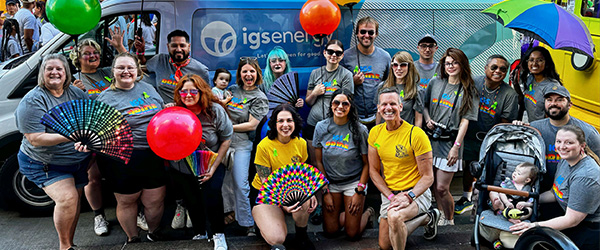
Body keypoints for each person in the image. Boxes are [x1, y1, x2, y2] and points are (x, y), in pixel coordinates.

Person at [15, 53, 90, 250]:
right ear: (42, 73)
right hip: (43, 161)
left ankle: (71, 243)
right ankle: (64, 247)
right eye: (50, 69)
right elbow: (35, 138)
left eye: (59, 69)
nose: (55, 72)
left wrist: (88, 141)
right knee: (68, 199)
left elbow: (89, 123)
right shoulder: (33, 100)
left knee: (75, 202)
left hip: (76, 160)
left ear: (66, 73)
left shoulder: (76, 94)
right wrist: (71, 136)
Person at [95, 53, 167, 243]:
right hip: (122, 158)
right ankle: (132, 237)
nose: (126, 71)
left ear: (137, 71)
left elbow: (161, 113)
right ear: (113, 72)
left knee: (155, 200)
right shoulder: (105, 98)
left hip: (153, 154)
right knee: (127, 201)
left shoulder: (148, 88)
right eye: (121, 68)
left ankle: (153, 233)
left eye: (130, 68)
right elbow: (97, 132)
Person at [514, 85, 600, 220]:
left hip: (574, 197)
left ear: (570, 104)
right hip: (547, 192)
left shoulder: (588, 132)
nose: (553, 103)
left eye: (559, 99)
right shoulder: (535, 128)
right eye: (549, 99)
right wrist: (517, 128)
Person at [368, 88, 439, 250]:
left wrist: (409, 196)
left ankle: (416, 215)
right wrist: (391, 196)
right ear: (378, 108)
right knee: (385, 245)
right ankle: (427, 218)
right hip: (390, 193)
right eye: (384, 104)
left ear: (401, 106)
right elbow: (373, 171)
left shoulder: (416, 134)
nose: (388, 108)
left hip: (415, 192)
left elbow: (428, 177)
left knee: (395, 217)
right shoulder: (375, 133)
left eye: (393, 103)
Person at [510, 125, 600, 250]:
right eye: (559, 141)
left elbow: (571, 220)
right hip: (572, 222)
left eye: (569, 142)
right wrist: (531, 202)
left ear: (582, 146)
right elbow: (555, 192)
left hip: (589, 230)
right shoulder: (566, 160)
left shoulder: (585, 176)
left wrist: (533, 226)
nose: (562, 147)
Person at [169, 74, 232, 248]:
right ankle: (200, 232)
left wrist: (213, 168)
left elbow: (226, 139)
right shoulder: (175, 112)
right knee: (191, 199)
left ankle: (218, 234)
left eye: (192, 91)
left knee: (212, 196)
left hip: (210, 163)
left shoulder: (214, 111)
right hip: (181, 166)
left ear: (201, 91)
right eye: (183, 92)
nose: (188, 95)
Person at [455, 55, 519, 215]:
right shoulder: (474, 83)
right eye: (494, 67)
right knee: (469, 167)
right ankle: (466, 198)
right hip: (470, 134)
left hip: (491, 139)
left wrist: (491, 139)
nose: (498, 71)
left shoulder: (509, 94)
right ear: (485, 68)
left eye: (503, 69)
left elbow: (505, 123)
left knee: (488, 170)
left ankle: (484, 200)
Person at [422, 48, 478, 226]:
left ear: (462, 64)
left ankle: (450, 218)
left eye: (455, 62)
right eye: (448, 63)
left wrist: (456, 146)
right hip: (431, 140)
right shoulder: (435, 82)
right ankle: (440, 217)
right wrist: (428, 119)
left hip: (450, 142)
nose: (451, 66)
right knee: (433, 186)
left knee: (442, 187)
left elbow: (465, 121)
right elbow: (423, 105)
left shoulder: (469, 89)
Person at [251, 103, 317, 250]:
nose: (285, 125)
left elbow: (304, 171)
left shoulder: (300, 143)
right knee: (278, 238)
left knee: (305, 197)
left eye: (289, 120)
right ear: (274, 124)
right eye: (280, 121)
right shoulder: (264, 146)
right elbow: (266, 183)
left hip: (290, 189)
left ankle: (301, 235)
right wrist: (283, 205)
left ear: (295, 123)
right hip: (266, 194)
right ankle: (264, 220)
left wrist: (310, 192)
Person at [312, 89, 372, 239]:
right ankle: (349, 214)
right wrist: (324, 191)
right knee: (331, 232)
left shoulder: (360, 129)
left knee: (352, 233)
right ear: (331, 105)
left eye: (345, 103)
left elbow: (367, 164)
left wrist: (359, 191)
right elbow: (318, 161)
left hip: (353, 182)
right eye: (336, 102)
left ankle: (368, 212)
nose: (340, 106)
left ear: (351, 107)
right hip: (331, 183)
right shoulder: (321, 127)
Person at [226, 56, 269, 235]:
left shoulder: (260, 97)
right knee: (224, 183)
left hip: (243, 143)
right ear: (240, 74)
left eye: (252, 71)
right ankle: (229, 215)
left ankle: (247, 222)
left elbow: (252, 125)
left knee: (241, 183)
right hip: (224, 142)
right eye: (245, 71)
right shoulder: (232, 90)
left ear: (257, 74)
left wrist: (227, 127)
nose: (248, 74)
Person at [305, 39, 353, 160]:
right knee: (315, 161)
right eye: (330, 52)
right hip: (313, 123)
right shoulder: (315, 73)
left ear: (342, 56)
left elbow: (348, 102)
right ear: (325, 53)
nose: (333, 55)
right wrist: (315, 93)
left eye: (338, 53)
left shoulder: (346, 75)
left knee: (331, 159)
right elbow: (308, 102)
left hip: (334, 125)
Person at [340, 16, 391, 129]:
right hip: (352, 116)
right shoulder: (346, 57)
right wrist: (352, 82)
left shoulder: (385, 57)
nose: (366, 35)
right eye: (362, 32)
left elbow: (388, 85)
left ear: (376, 34)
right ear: (357, 34)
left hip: (378, 116)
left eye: (370, 32)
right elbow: (338, 87)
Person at [135, 29, 209, 104]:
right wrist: (140, 51)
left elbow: (206, 98)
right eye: (174, 46)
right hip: (164, 111)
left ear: (189, 47)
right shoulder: (160, 60)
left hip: (188, 111)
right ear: (168, 47)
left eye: (182, 45)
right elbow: (144, 66)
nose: (179, 49)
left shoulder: (201, 70)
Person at [69, 32, 127, 99]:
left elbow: (133, 66)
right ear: (78, 58)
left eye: (96, 52)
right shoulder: (75, 80)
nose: (92, 56)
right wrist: (74, 92)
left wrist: (120, 47)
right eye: (87, 53)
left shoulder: (109, 71)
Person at [375, 51, 423, 126]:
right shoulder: (382, 86)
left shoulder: (417, 90)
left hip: (405, 134)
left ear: (409, 67)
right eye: (395, 65)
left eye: (403, 65)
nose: (398, 68)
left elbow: (418, 120)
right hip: (385, 133)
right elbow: (378, 113)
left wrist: (414, 136)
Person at [518, 46, 561, 122]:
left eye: (539, 60)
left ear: (546, 63)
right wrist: (515, 84)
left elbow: (552, 118)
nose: (534, 63)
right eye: (531, 60)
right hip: (532, 127)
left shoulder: (552, 86)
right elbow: (524, 103)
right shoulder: (530, 79)